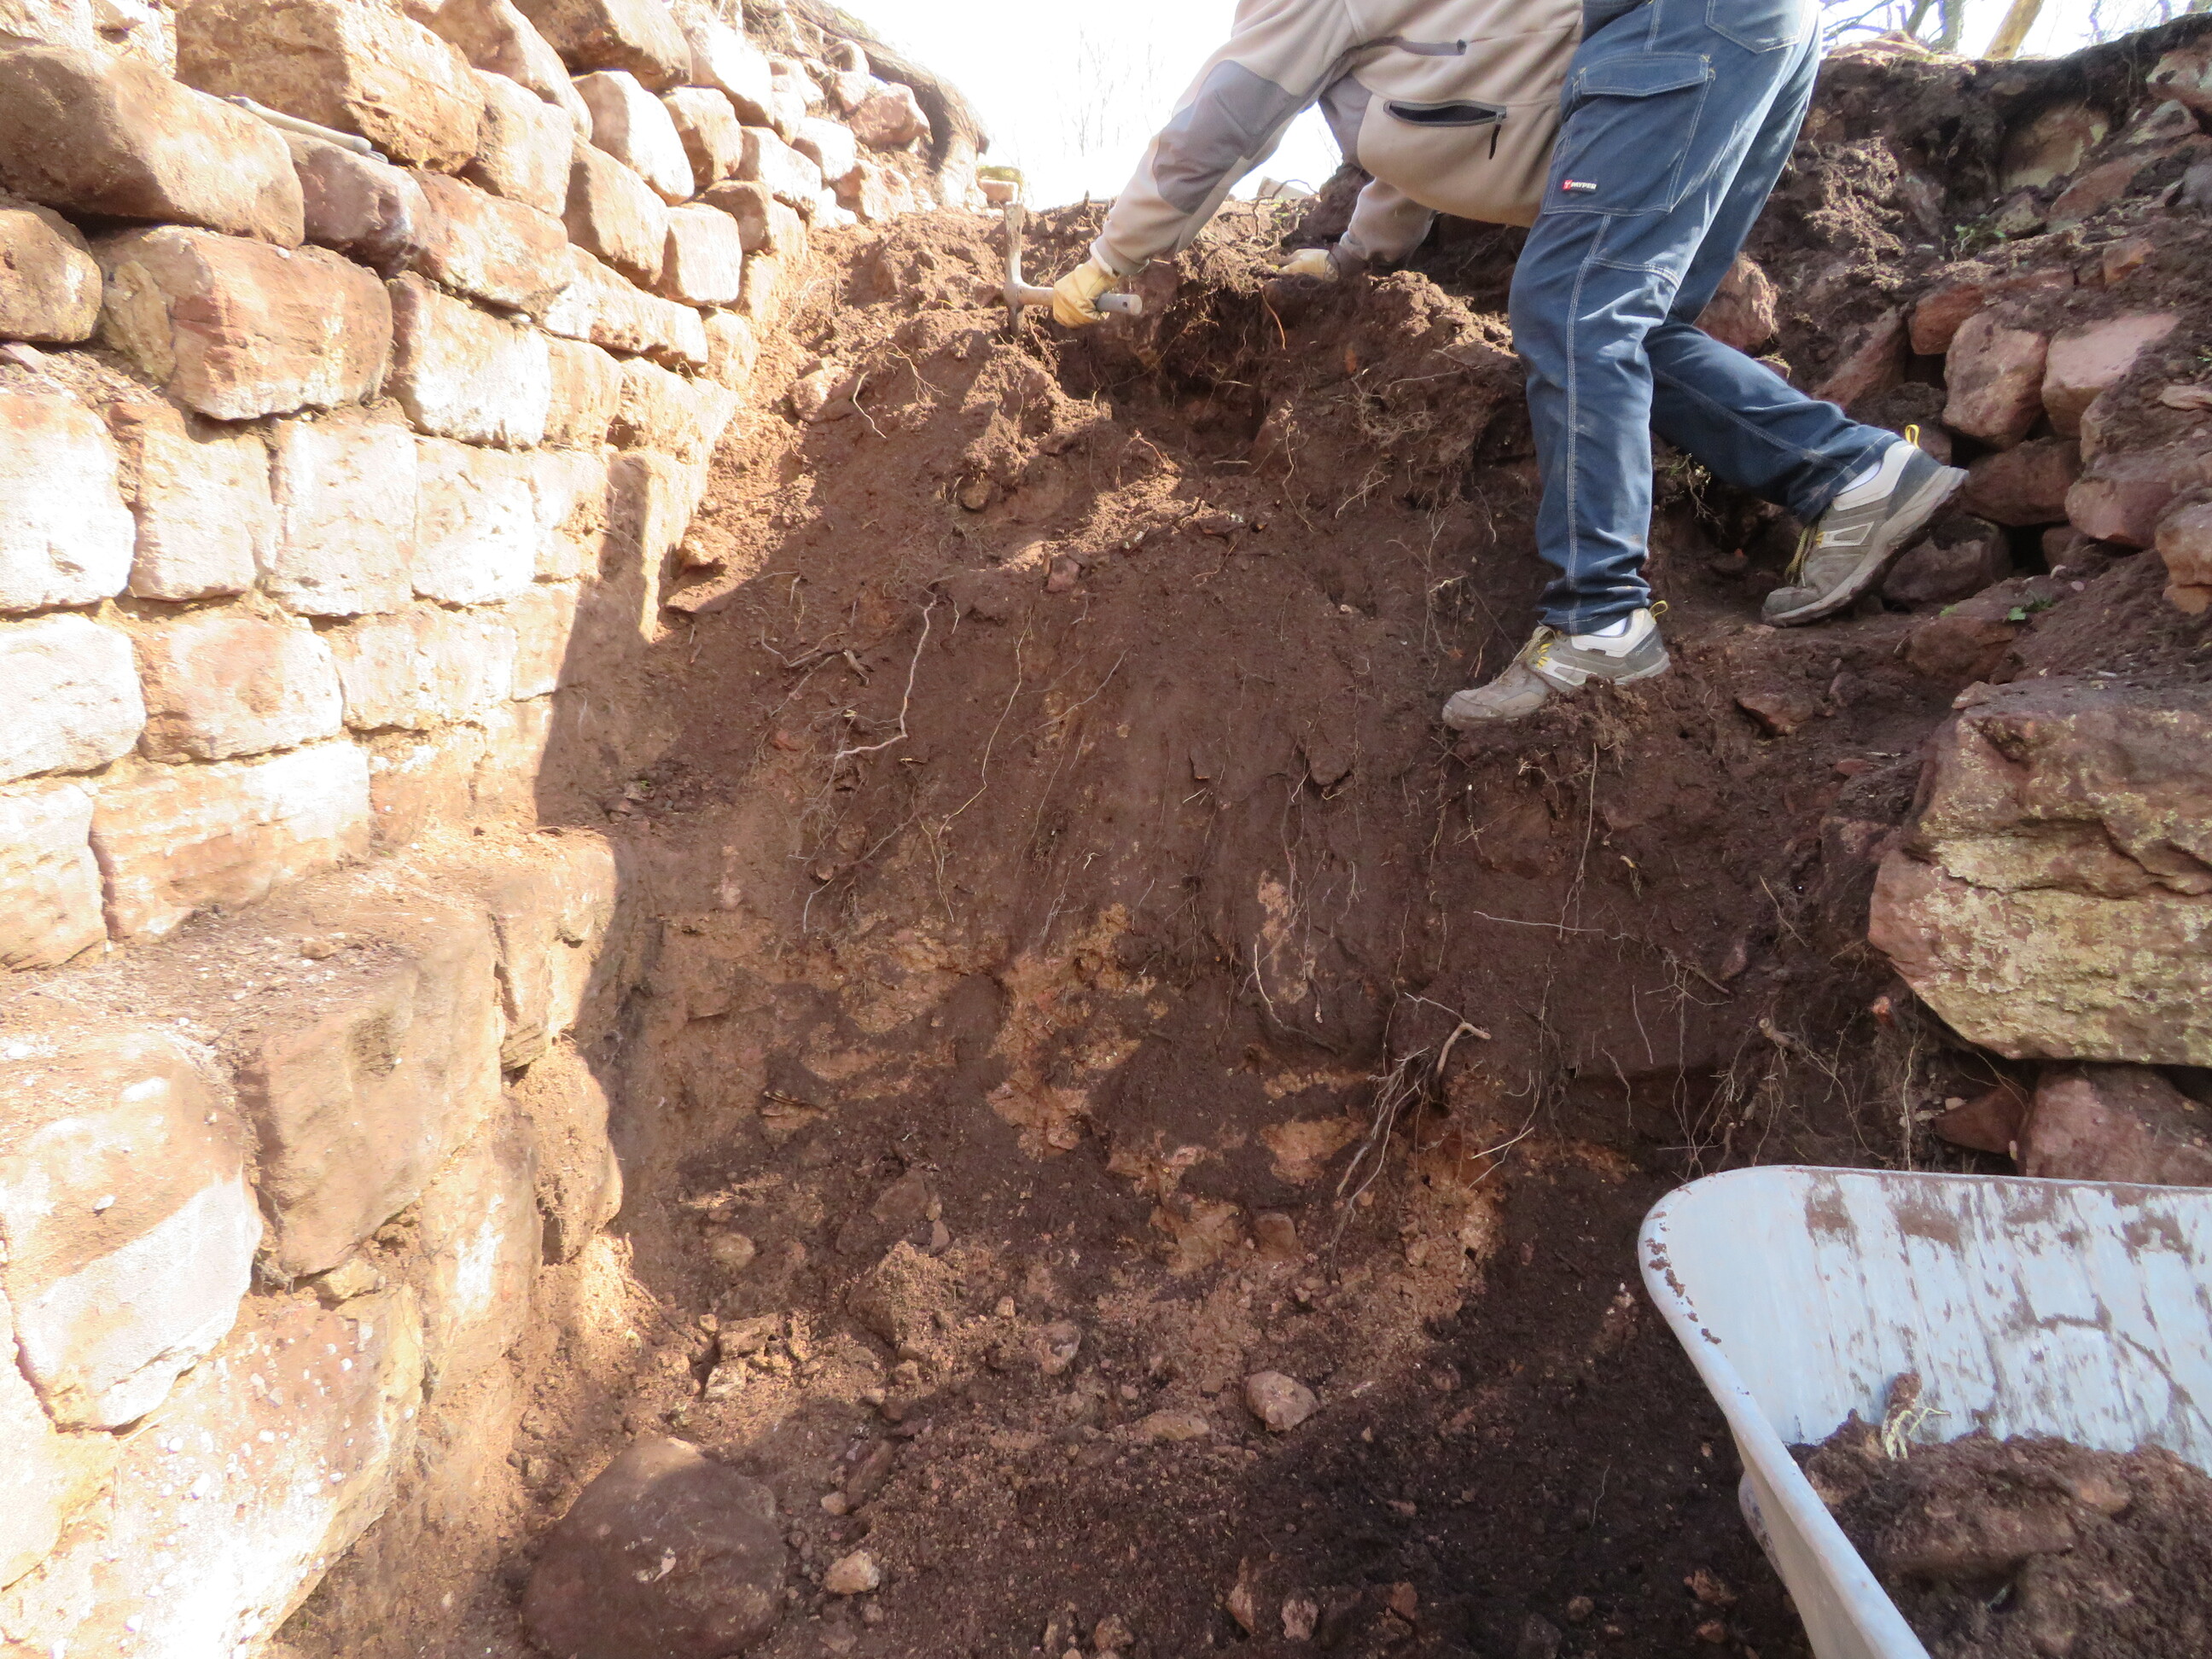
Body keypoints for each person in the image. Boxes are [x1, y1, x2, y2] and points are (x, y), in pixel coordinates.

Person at [1051, 0, 1967, 726]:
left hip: (1681, 27)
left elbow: (1222, 120)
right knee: (1628, 326)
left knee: (1574, 308)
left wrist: (1110, 259)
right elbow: (1432, 115)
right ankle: (1856, 475)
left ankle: (1600, 625)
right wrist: (1355, 256)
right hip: (1744, 32)